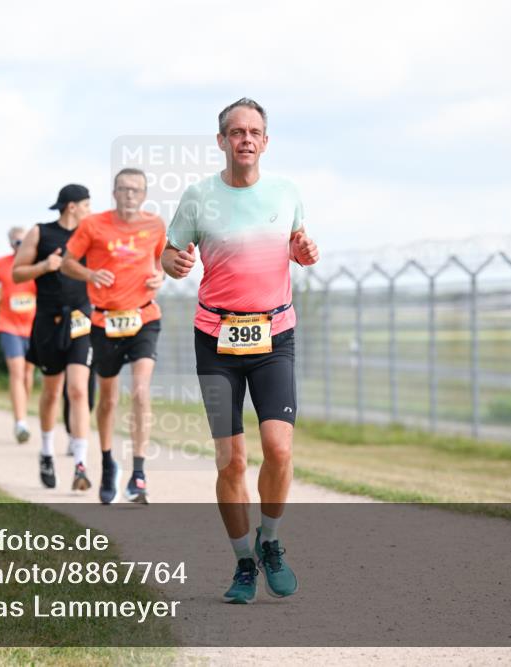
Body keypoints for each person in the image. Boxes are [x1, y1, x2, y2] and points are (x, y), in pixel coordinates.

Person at [161, 98, 319, 604]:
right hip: (216, 340)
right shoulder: (197, 197)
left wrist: (304, 252)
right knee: (231, 461)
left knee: (278, 448)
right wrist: (174, 263)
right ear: (222, 141)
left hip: (274, 337)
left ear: (265, 142)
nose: (245, 139)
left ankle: (269, 540)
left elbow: (297, 244)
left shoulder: (287, 193)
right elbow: (168, 252)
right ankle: (244, 564)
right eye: (236, 132)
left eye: (254, 132)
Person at [62, 168, 166, 504]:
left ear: (145, 194)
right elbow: (66, 263)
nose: (130, 195)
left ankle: (138, 473)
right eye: (124, 189)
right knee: (107, 399)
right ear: (114, 192)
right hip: (104, 322)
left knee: (139, 390)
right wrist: (90, 273)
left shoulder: (155, 225)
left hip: (144, 316)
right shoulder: (93, 225)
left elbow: (164, 260)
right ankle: (108, 463)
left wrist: (160, 276)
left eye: (136, 190)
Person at [12, 184, 93, 491]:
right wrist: (45, 266)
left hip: (81, 318)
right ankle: (46, 451)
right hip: (48, 320)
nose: (89, 210)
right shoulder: (40, 233)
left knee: (77, 390)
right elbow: (17, 273)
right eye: (86, 204)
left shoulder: (90, 233)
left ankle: (80, 464)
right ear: (72, 206)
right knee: (51, 391)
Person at [0, 227, 37, 443]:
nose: (20, 246)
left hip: (33, 327)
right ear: (10, 244)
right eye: (16, 242)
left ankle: (22, 410)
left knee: (27, 375)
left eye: (23, 242)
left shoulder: (36, 264)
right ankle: (20, 423)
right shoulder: (1, 264)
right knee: (16, 372)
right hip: (9, 326)